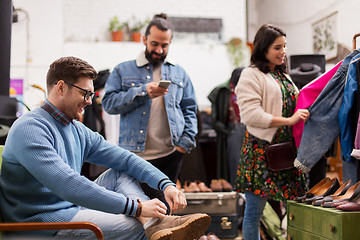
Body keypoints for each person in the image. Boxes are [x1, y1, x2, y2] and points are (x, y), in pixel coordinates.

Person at [0, 56, 210, 240]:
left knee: (121, 173)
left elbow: (125, 159)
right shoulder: (30, 128)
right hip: (42, 226)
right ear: (61, 87)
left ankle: (155, 225)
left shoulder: (76, 129)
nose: (89, 102)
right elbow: (68, 185)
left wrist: (166, 185)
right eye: (85, 94)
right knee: (136, 228)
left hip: (70, 210)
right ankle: (153, 226)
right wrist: (136, 207)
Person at [102, 13, 197, 212]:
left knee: (165, 208)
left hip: (171, 153)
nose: (159, 50)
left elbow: (189, 109)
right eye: (154, 44)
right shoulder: (122, 70)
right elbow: (109, 104)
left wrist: (184, 144)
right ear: (144, 39)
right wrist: (143, 92)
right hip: (135, 155)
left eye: (165, 45)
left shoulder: (179, 73)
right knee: (137, 209)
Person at [234, 24, 309, 240]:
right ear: (263, 48)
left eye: (285, 46)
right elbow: (249, 115)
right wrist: (289, 120)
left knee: (296, 212)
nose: (283, 51)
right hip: (260, 153)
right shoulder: (251, 74)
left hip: (287, 152)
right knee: (254, 214)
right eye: (277, 47)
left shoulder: (282, 75)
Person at [207, 67, 246, 186]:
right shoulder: (222, 91)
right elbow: (216, 118)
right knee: (234, 162)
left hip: (250, 129)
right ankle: (236, 189)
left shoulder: (248, 88)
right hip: (232, 129)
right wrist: (225, 130)